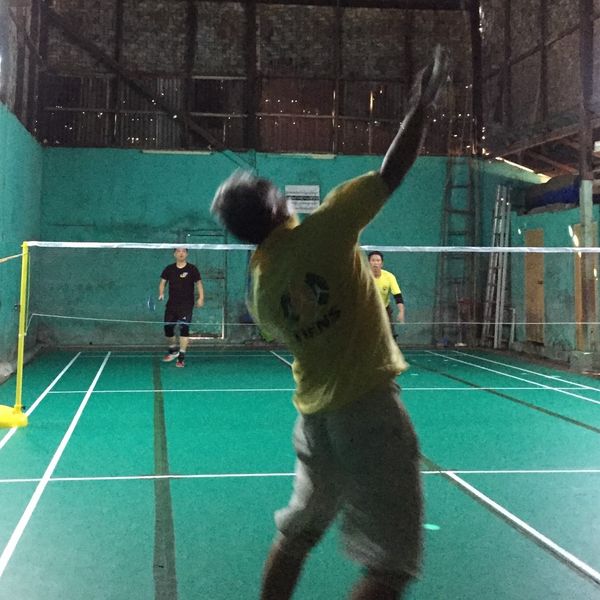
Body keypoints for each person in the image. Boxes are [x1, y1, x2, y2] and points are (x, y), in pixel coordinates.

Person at [211, 46, 448, 600]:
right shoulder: (329, 227)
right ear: (278, 203)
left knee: (298, 533)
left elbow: (281, 329)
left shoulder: (261, 286)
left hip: (316, 421)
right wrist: (420, 108)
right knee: (390, 565)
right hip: (369, 411)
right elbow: (392, 171)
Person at [158, 247, 204, 368]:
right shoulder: (169, 269)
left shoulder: (192, 269)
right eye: (178, 251)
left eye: (183, 251)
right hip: (172, 304)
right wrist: (161, 293)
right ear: (174, 254)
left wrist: (201, 297)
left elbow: (199, 284)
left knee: (184, 328)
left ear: (187, 254)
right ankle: (173, 351)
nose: (181, 253)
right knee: (168, 328)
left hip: (186, 305)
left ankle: (181, 357)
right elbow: (162, 282)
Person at [368, 250, 405, 339]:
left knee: (390, 336)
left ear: (382, 264)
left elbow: (398, 296)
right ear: (368, 263)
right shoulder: (362, 276)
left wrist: (401, 311)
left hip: (384, 309)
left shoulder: (389, 277)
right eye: (373, 260)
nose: (375, 263)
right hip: (367, 310)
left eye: (378, 260)